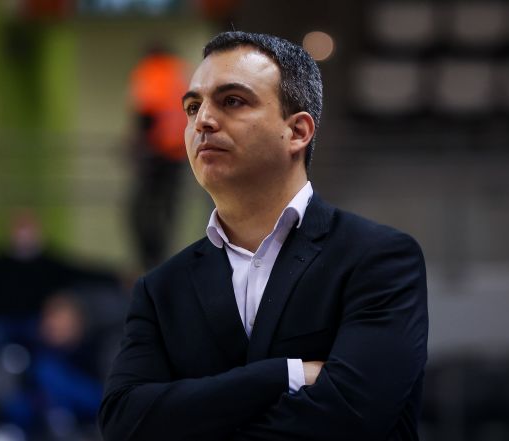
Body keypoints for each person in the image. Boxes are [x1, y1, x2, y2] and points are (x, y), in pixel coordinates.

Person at [99, 31, 428, 441]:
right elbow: (123, 424)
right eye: (193, 107)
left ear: (298, 132)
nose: (203, 121)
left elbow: (350, 421)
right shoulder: (160, 289)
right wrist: (285, 374)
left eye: (232, 101)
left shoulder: (379, 259)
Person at [127, 43, 189, 269]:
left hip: (156, 152)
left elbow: (147, 112)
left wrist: (138, 145)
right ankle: (162, 259)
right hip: (179, 152)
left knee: (139, 210)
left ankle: (150, 260)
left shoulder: (151, 70)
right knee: (167, 211)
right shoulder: (181, 72)